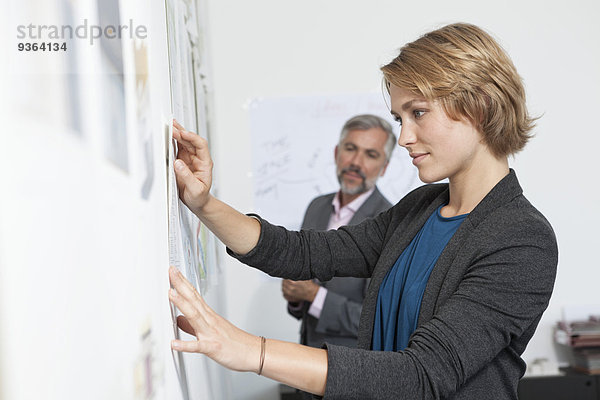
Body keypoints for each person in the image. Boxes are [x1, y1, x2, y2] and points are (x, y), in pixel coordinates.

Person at [168, 22, 558, 399]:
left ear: (480, 106)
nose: (404, 137)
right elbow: (304, 253)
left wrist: (251, 351)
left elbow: (421, 376)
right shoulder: (419, 210)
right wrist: (204, 203)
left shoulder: (523, 240)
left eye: (418, 112)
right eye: (399, 118)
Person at [282, 114, 395, 352]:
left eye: (371, 154)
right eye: (350, 148)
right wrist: (295, 299)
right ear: (336, 154)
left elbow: (377, 321)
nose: (356, 161)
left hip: (353, 369)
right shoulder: (317, 207)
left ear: (384, 168)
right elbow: (304, 303)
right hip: (307, 357)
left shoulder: (390, 223)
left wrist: (314, 295)